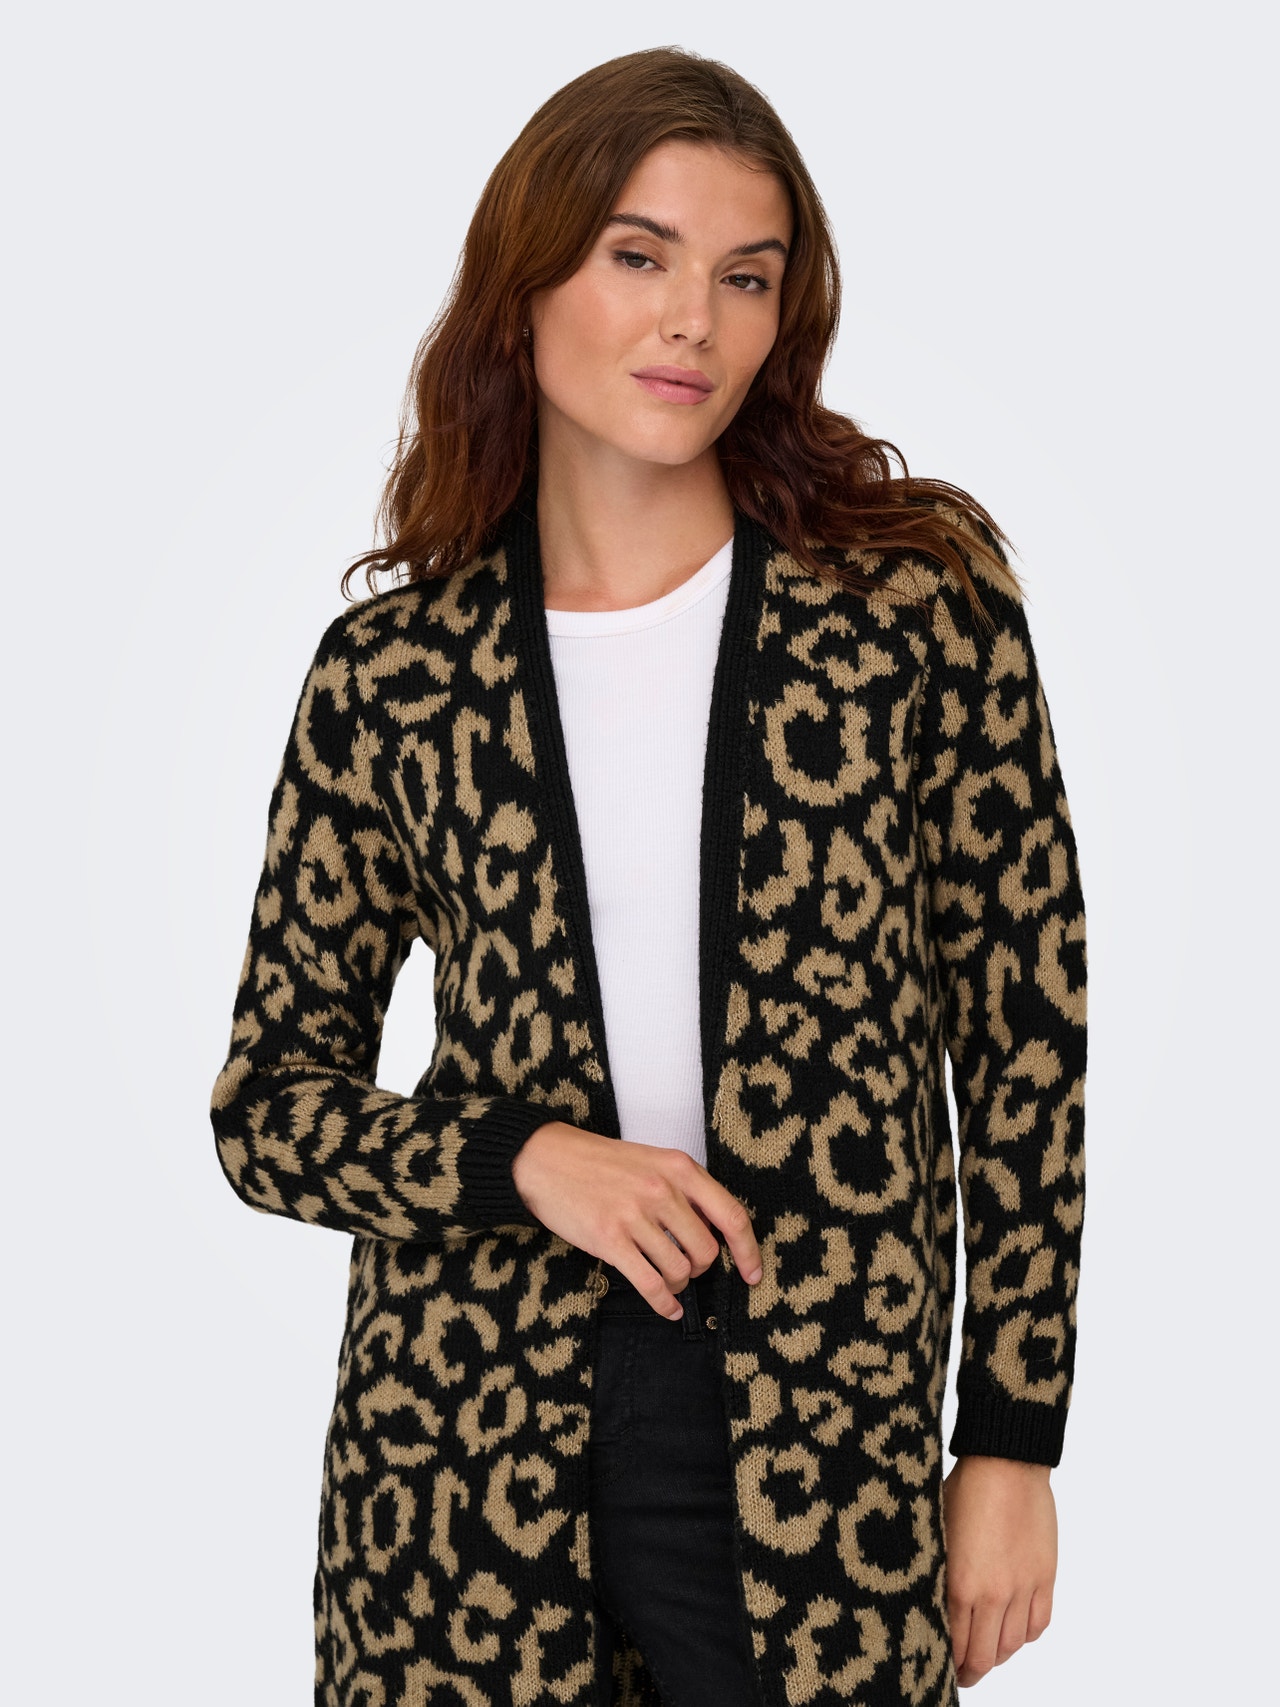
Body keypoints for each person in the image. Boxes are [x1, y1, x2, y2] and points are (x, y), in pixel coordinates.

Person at [209, 44, 1087, 1707]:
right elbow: (268, 1109)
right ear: (527, 282)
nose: (695, 320)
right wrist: (530, 1162)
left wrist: (1012, 1438)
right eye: (640, 255)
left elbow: (1026, 1046)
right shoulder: (395, 678)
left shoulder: (912, 617)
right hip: (457, 1464)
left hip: (819, 1449)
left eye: (745, 276)